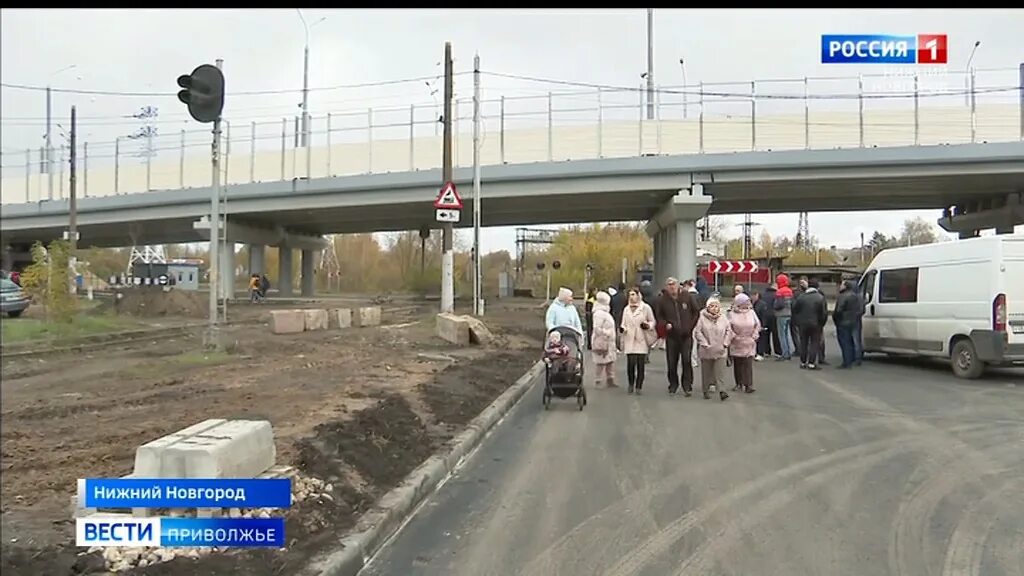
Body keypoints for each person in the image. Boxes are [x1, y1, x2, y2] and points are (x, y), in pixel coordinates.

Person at [654, 277, 700, 396]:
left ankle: (687, 386)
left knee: (686, 360)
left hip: (686, 335)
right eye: (669, 285)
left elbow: (696, 312)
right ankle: (673, 385)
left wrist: (690, 327)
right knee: (672, 362)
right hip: (672, 336)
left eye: (673, 284)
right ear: (666, 287)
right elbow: (659, 317)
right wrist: (665, 324)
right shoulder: (662, 300)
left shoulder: (687, 297)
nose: (671, 287)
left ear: (678, 285)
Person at [694, 296, 734, 401]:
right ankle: (705, 390)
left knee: (720, 373)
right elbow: (698, 332)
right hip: (707, 350)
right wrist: (704, 343)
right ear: (707, 307)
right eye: (712, 306)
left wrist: (725, 343)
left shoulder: (723, 318)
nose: (714, 308)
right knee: (706, 372)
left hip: (721, 349)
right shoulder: (701, 318)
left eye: (716, 306)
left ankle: (722, 391)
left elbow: (729, 331)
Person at [620, 286, 656, 395]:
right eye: (629, 295)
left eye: (633, 294)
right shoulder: (626, 309)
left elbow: (652, 321)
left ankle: (639, 386)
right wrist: (623, 328)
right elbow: (623, 322)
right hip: (629, 338)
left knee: (640, 364)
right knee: (630, 364)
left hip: (641, 338)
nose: (631, 297)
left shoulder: (645, 308)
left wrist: (647, 325)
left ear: (638, 295)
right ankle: (631, 384)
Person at [792, 279, 828, 370]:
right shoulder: (820, 297)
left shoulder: (801, 297)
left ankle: (803, 362)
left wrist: (797, 321)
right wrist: (821, 323)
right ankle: (811, 363)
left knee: (803, 342)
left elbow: (795, 309)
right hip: (816, 324)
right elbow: (824, 313)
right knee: (814, 343)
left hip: (803, 324)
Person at [728, 293, 760, 393]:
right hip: (737, 341)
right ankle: (739, 383)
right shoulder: (732, 314)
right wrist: (734, 336)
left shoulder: (751, 312)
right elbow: (728, 327)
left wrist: (755, 335)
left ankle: (749, 385)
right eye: (745, 302)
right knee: (738, 364)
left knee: (748, 364)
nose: (748, 303)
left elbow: (757, 324)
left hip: (749, 341)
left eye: (748, 302)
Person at [590, 291, 618, 388]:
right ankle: (598, 380)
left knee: (610, 361)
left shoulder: (604, 312)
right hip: (602, 341)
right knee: (601, 362)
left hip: (608, 341)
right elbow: (597, 328)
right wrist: (607, 333)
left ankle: (610, 379)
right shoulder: (599, 313)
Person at [833, 279, 862, 369]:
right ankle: (852, 359)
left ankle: (846, 362)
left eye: (841, 284)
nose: (840, 286)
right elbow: (858, 309)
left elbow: (838, 310)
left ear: (845, 286)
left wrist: (836, 320)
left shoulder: (842, 296)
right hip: (853, 321)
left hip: (843, 322)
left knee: (845, 342)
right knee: (852, 341)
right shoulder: (855, 296)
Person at [773, 274, 795, 361]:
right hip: (789, 314)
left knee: (782, 335)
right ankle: (788, 351)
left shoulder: (779, 291)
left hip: (781, 315)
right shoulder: (790, 291)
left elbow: (778, 304)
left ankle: (785, 354)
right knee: (787, 334)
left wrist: (774, 306)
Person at [761, 282, 781, 358]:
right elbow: (779, 305)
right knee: (776, 334)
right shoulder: (777, 294)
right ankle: (778, 352)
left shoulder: (763, 294)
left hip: (765, 316)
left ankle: (767, 351)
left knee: (766, 334)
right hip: (774, 315)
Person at [752, 291, 770, 361]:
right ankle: (756, 353)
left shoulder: (762, 304)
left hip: (760, 323)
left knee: (761, 339)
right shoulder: (753, 303)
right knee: (757, 339)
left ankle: (760, 353)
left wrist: (763, 325)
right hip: (755, 324)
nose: (752, 297)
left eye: (754, 295)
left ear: (757, 295)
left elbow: (764, 315)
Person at [610, 282, 628, 352]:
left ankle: (617, 346)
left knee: (616, 331)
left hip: (615, 314)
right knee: (622, 331)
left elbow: (611, 306)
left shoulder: (614, 297)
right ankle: (623, 345)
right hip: (623, 315)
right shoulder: (625, 297)